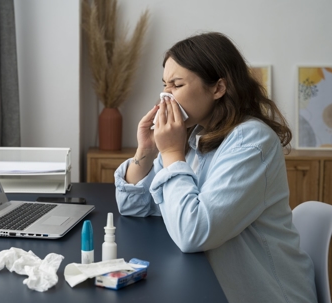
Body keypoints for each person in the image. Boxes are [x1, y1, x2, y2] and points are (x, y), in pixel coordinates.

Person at [114, 32, 317, 303]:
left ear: (218, 88)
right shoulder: (195, 136)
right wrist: (147, 151)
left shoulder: (251, 141)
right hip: (213, 286)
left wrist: (172, 153)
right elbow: (134, 206)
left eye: (176, 84)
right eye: (164, 84)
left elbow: (193, 233)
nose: (165, 96)